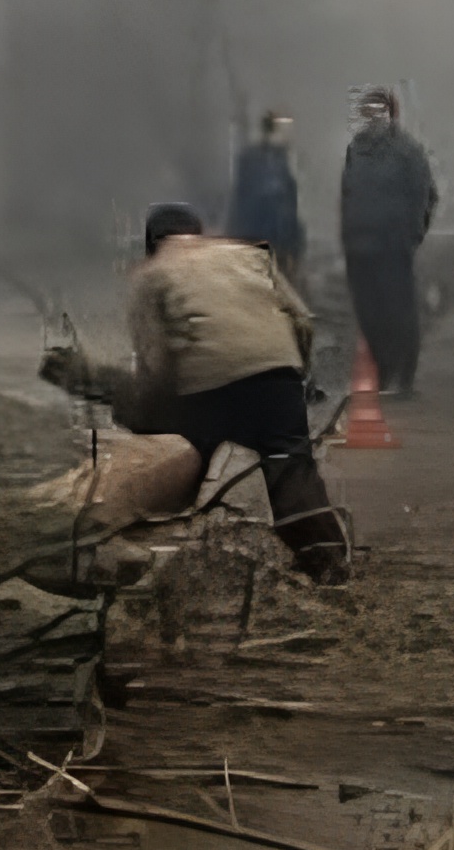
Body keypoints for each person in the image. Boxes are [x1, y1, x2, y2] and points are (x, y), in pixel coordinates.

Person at [40, 204, 349, 583]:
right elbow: (301, 320)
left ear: (152, 244)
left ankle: (137, 526)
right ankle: (327, 564)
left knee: (177, 454)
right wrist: (294, 375)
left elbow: (154, 360)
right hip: (277, 375)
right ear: (199, 234)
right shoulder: (249, 255)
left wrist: (139, 405)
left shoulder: (151, 275)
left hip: (208, 383)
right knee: (291, 469)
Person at [339, 87, 437, 395]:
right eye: (367, 110)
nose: (372, 116)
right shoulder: (356, 149)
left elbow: (426, 195)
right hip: (359, 246)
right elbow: (348, 193)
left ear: (391, 113)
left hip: (392, 244)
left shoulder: (408, 150)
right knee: (369, 312)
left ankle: (403, 378)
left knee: (397, 309)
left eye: (378, 109)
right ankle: (382, 373)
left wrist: (412, 235)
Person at [227, 110, 304, 279]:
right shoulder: (262, 159)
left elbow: (290, 202)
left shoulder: (275, 158)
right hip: (260, 234)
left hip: (268, 234)